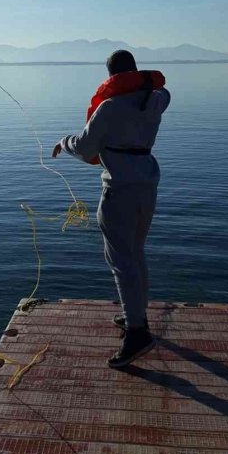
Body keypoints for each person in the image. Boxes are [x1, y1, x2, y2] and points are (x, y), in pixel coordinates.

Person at [52, 49, 170, 368]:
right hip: (148, 182)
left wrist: (63, 142)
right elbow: (157, 92)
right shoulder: (158, 99)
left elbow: (86, 147)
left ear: (111, 77)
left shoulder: (109, 107)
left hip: (119, 188)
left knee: (120, 259)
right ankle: (136, 316)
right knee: (136, 252)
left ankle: (136, 333)